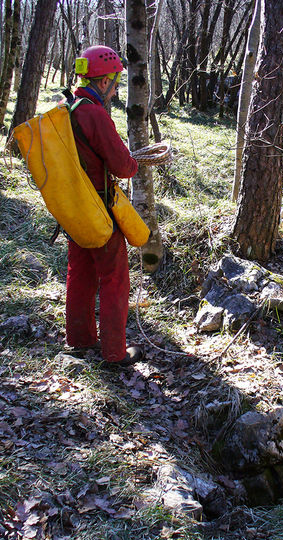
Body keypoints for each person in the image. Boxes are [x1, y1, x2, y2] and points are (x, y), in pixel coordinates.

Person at [66, 45, 141, 367]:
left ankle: (80, 341)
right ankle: (114, 353)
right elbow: (124, 167)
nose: (115, 89)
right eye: (115, 82)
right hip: (99, 209)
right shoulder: (94, 113)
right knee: (114, 278)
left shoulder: (66, 108)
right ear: (105, 81)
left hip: (71, 208)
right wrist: (133, 162)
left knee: (79, 273)